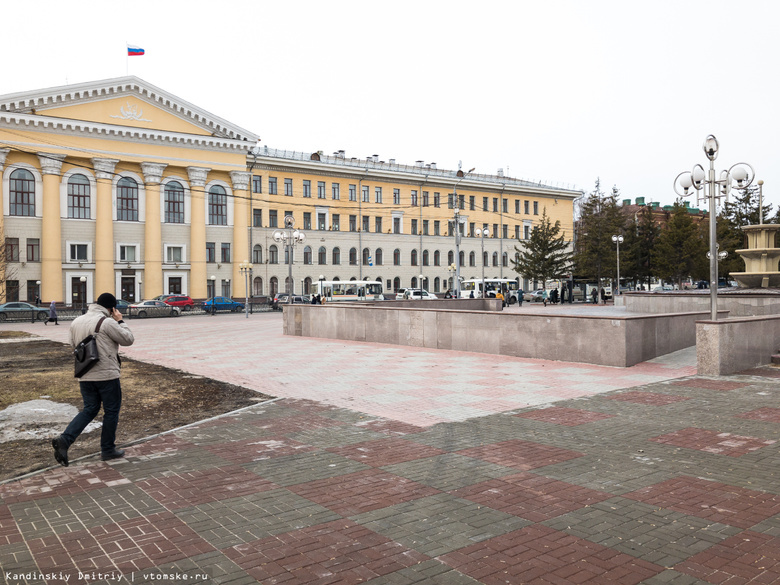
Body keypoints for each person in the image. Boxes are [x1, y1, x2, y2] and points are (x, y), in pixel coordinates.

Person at [52, 293, 134, 466]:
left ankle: (65, 440)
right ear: (112, 308)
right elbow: (128, 339)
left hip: (85, 374)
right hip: (107, 375)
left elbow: (73, 344)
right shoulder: (108, 322)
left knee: (89, 409)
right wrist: (120, 320)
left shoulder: (76, 321)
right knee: (111, 411)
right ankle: (108, 449)